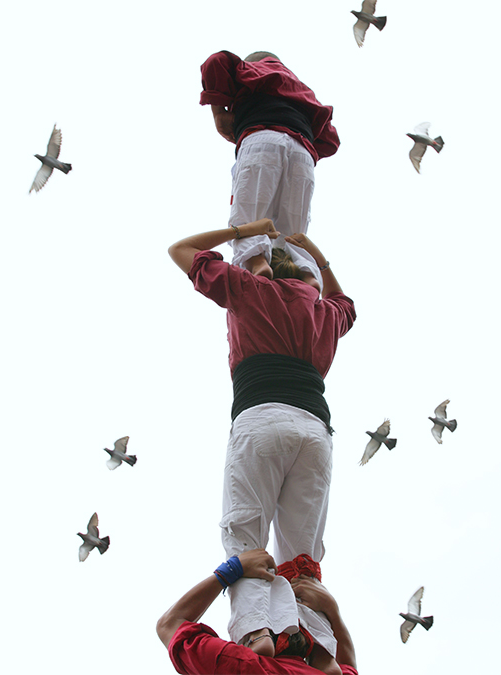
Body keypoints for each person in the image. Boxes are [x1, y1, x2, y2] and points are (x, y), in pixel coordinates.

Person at [168, 219, 355, 663]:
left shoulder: (249, 289)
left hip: (263, 420)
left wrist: (243, 230)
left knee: (245, 536)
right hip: (314, 431)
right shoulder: (322, 311)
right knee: (301, 554)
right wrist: (318, 257)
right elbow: (345, 304)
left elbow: (181, 250)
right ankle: (318, 645)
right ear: (308, 278)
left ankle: (257, 631)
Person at [199, 50, 339, 281]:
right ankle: (307, 276)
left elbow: (216, 61)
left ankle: (257, 264)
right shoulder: (304, 93)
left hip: (262, 140)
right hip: (303, 155)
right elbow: (331, 140)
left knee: (248, 219)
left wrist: (218, 112)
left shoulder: (252, 71)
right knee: (293, 233)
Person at [156, 549, 357, 675]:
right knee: (246, 539)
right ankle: (257, 630)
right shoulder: (242, 667)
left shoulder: (244, 667)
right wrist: (231, 570)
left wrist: (332, 611)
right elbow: (169, 625)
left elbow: (169, 624)